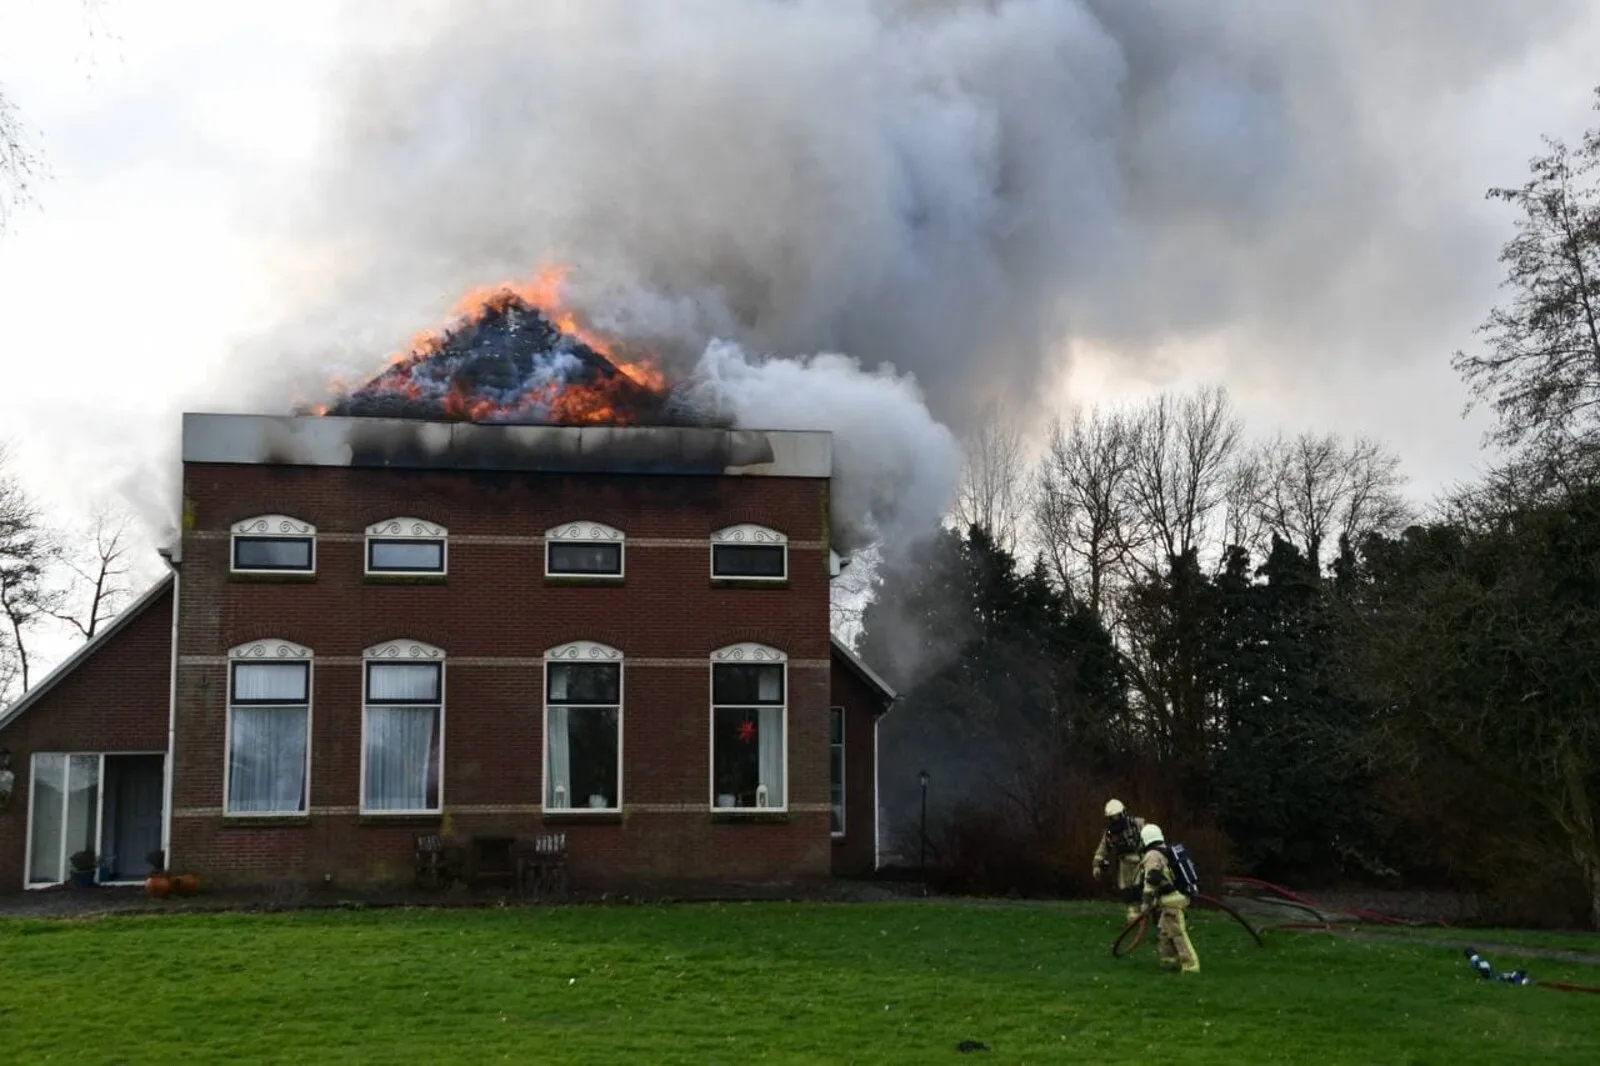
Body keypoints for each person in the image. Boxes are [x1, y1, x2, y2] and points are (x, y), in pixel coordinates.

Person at [1137, 822, 1199, 974]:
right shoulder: (1165, 851)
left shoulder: (1152, 855)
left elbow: (1152, 878)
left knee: (1178, 933)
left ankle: (1190, 966)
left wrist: (1146, 902)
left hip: (1172, 899)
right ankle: (1168, 962)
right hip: (1176, 896)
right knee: (1165, 931)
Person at [1092, 798, 1146, 923]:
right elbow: (1102, 849)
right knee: (1128, 890)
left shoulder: (1138, 824)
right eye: (1111, 817)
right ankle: (1134, 916)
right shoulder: (1110, 833)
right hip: (1125, 864)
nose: (1114, 820)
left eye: (1116, 816)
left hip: (1142, 860)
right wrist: (1096, 865)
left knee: (1145, 888)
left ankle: (1154, 912)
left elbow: (1151, 838)